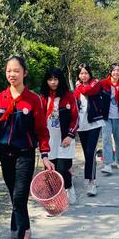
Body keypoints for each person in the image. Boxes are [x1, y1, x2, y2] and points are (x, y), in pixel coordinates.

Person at [0, 56, 53, 239]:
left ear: (25, 73)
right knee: (15, 199)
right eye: (8, 71)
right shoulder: (0, 98)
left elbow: (41, 130)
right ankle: (26, 228)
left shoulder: (33, 100)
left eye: (16, 71)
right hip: (5, 155)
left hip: (25, 154)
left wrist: (45, 155)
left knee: (19, 198)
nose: (12, 75)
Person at [40, 67, 78, 204]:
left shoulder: (69, 96)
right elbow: (38, 120)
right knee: (50, 171)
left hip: (65, 140)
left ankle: (69, 188)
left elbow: (75, 118)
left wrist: (70, 135)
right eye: (50, 79)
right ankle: (54, 198)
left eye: (55, 79)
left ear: (60, 80)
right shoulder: (43, 98)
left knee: (63, 169)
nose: (53, 82)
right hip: (48, 141)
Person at [74, 63, 105, 196]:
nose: (83, 75)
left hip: (94, 123)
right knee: (86, 153)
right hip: (81, 124)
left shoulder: (95, 83)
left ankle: (91, 182)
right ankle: (91, 177)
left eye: (86, 73)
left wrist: (79, 86)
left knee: (90, 151)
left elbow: (88, 91)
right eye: (81, 73)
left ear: (90, 74)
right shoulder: (76, 89)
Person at [100, 64, 119, 174]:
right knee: (106, 139)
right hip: (106, 117)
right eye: (114, 70)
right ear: (110, 71)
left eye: (118, 71)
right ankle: (107, 164)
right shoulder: (103, 84)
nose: (116, 73)